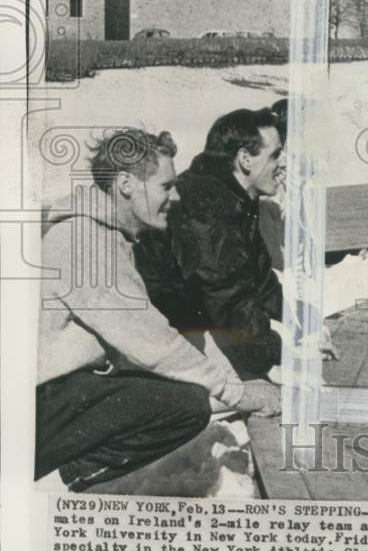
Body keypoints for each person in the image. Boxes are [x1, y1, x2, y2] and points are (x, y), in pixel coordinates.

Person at [36, 128, 279, 493]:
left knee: (181, 391)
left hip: (65, 392)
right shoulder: (83, 243)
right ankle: (52, 490)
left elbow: (155, 333)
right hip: (37, 405)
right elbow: (151, 341)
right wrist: (238, 393)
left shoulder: (107, 236)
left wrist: (230, 380)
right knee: (185, 406)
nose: (177, 196)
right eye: (167, 186)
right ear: (126, 184)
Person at [134, 107, 286, 379]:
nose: (283, 163)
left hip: (203, 327)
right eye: (275, 154)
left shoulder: (236, 196)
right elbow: (228, 297)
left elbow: (259, 277)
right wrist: (281, 350)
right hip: (167, 338)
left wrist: (301, 323)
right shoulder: (204, 207)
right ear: (245, 160)